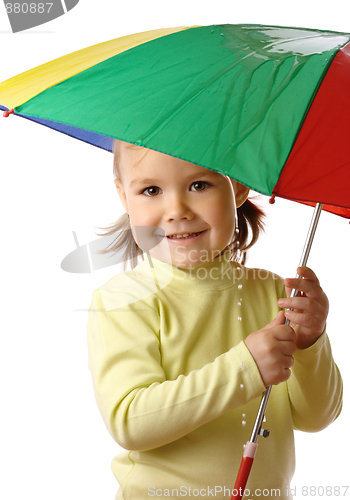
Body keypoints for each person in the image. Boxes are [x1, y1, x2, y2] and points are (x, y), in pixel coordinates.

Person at [87, 140, 342, 500]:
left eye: (199, 185)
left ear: (238, 185)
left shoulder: (275, 294)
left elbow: (317, 418)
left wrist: (309, 343)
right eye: (151, 190)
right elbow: (129, 421)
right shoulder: (123, 300)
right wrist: (246, 368)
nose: (176, 210)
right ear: (125, 197)